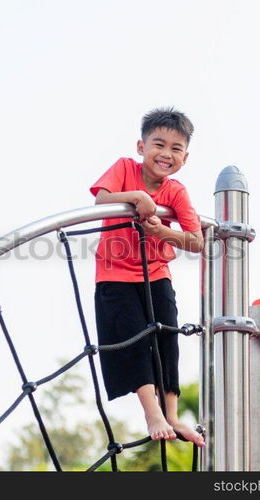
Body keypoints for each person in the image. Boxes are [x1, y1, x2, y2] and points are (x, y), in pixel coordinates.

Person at [90, 107, 205, 447]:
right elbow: (102, 199)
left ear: (185, 156)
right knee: (135, 341)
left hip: (156, 274)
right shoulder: (125, 169)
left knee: (167, 337)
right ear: (142, 148)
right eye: (159, 144)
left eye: (175, 148)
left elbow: (196, 241)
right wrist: (138, 197)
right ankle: (151, 411)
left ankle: (171, 413)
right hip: (115, 275)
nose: (166, 154)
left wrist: (162, 232)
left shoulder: (176, 192)